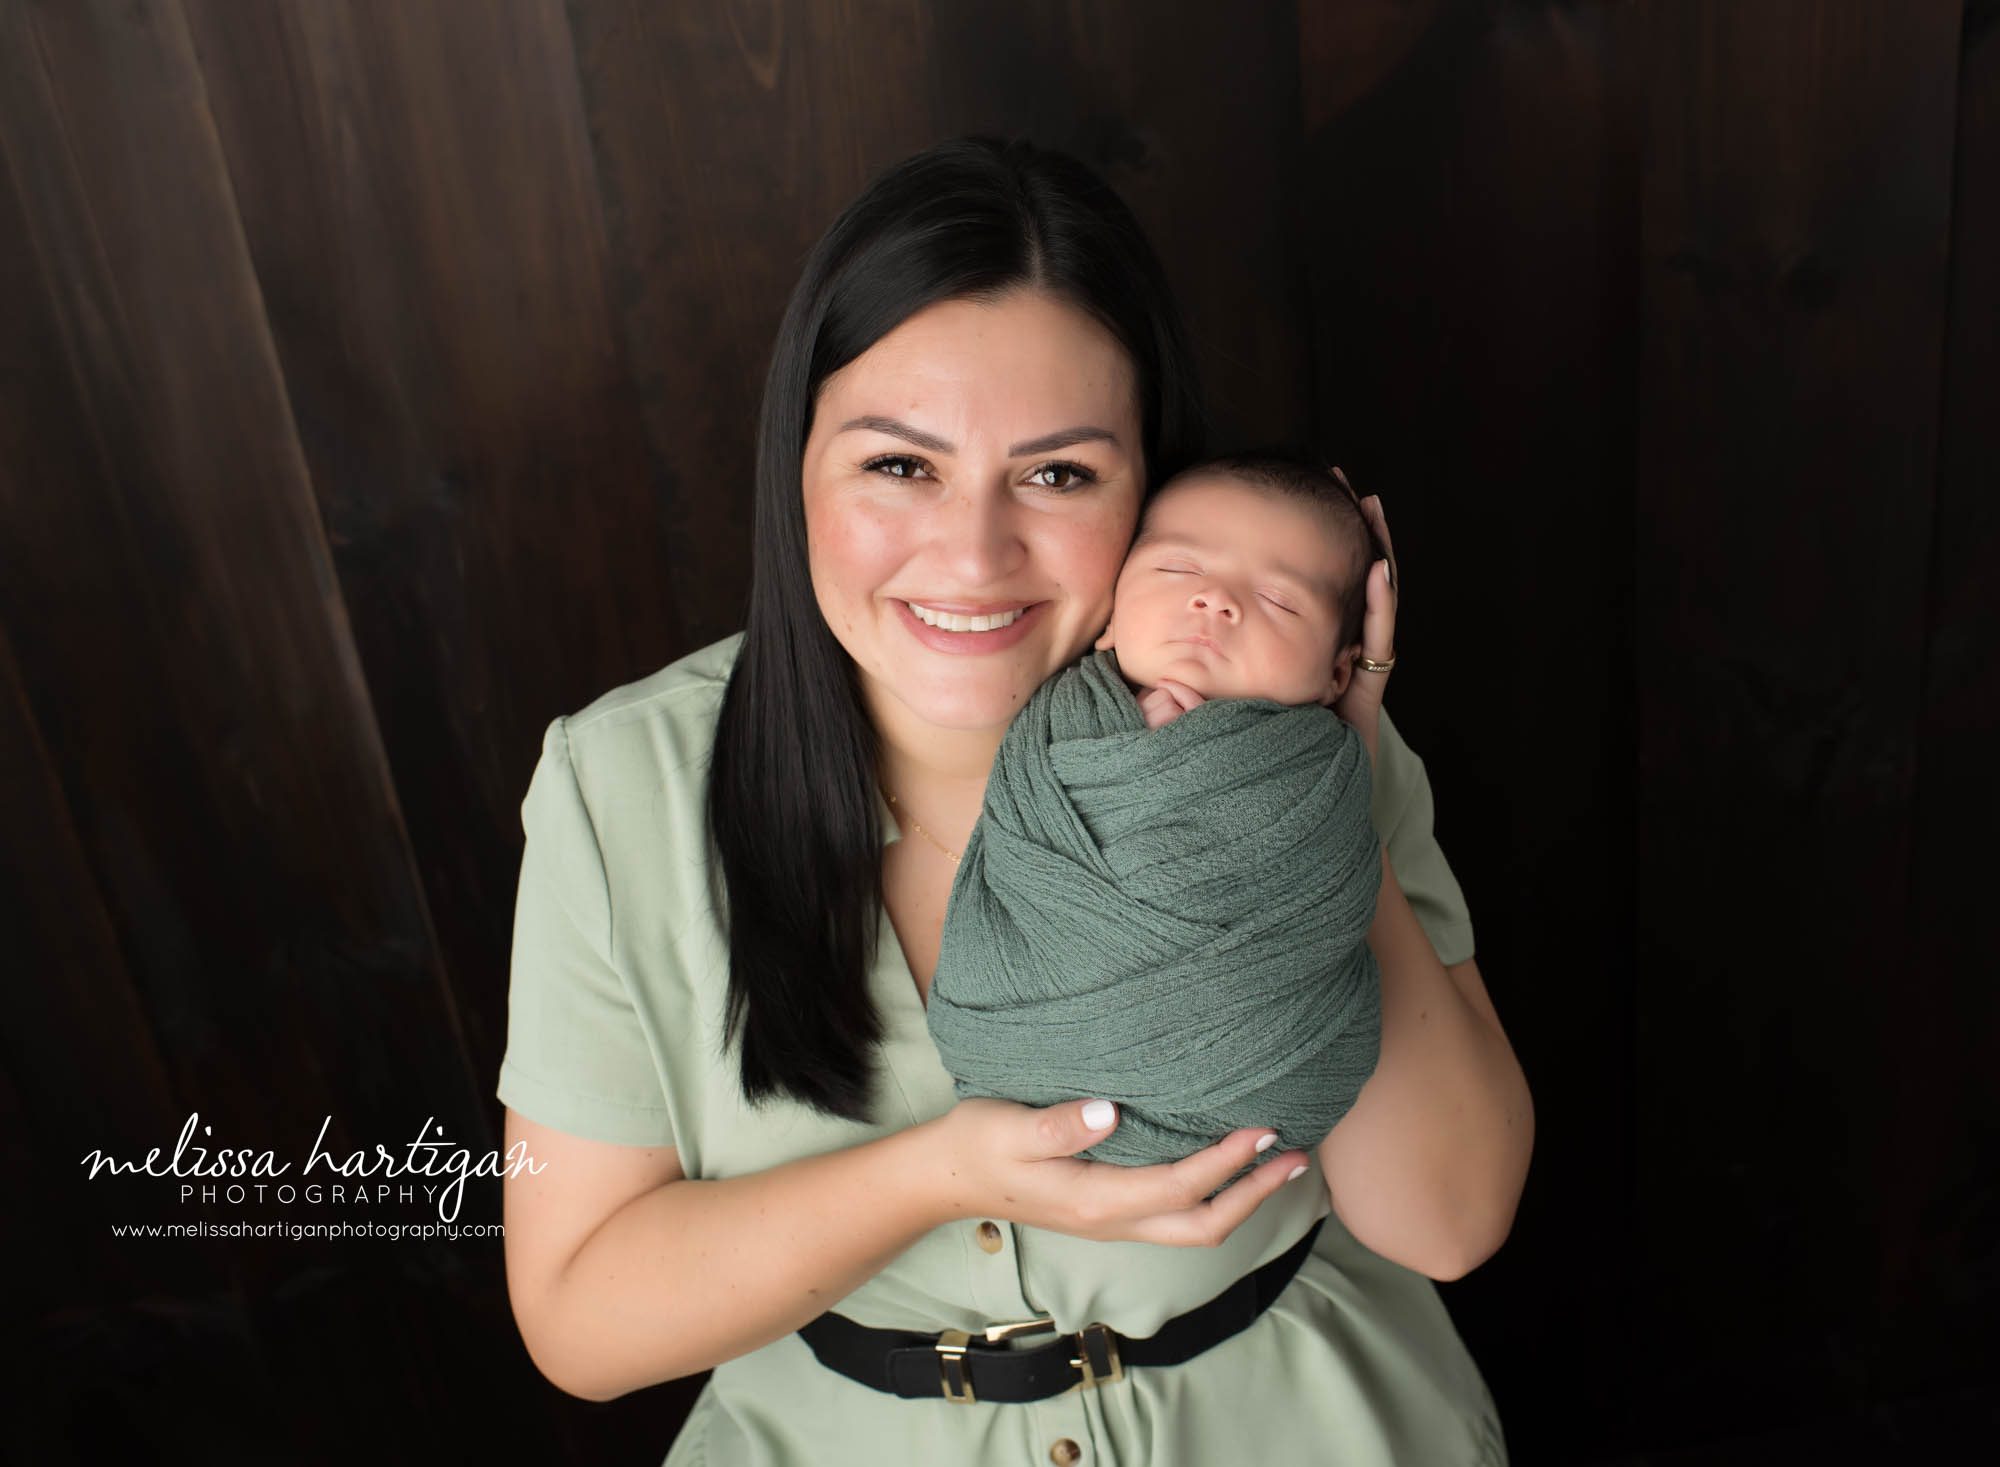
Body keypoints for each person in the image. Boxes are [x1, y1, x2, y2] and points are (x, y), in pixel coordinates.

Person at [497, 136, 1531, 1466]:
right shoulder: (620, 785)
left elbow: (1449, 1216)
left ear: (1150, 482)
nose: (974, 555)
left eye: (1059, 474)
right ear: (797, 464)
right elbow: (582, 1313)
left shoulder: (1285, 735)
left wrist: (1335, 771)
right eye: (900, 465)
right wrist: (941, 1173)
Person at [925, 454, 1393, 1169]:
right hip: (1019, 1041)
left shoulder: (1330, 772)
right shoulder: (1060, 720)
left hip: (1257, 1080)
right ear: (1109, 616)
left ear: (1336, 672)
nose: (1216, 601)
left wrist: (1339, 779)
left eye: (1281, 600)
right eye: (1177, 571)